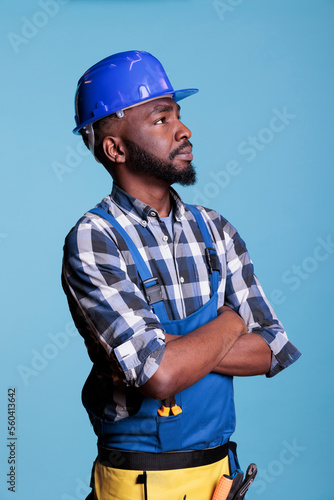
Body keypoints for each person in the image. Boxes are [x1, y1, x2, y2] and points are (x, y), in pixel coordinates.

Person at [62, 50, 301, 500]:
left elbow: (273, 347)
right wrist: (231, 323)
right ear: (115, 148)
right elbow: (159, 376)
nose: (183, 130)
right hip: (137, 482)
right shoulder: (96, 239)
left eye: (179, 115)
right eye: (160, 119)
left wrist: (177, 351)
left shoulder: (215, 229)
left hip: (218, 479)